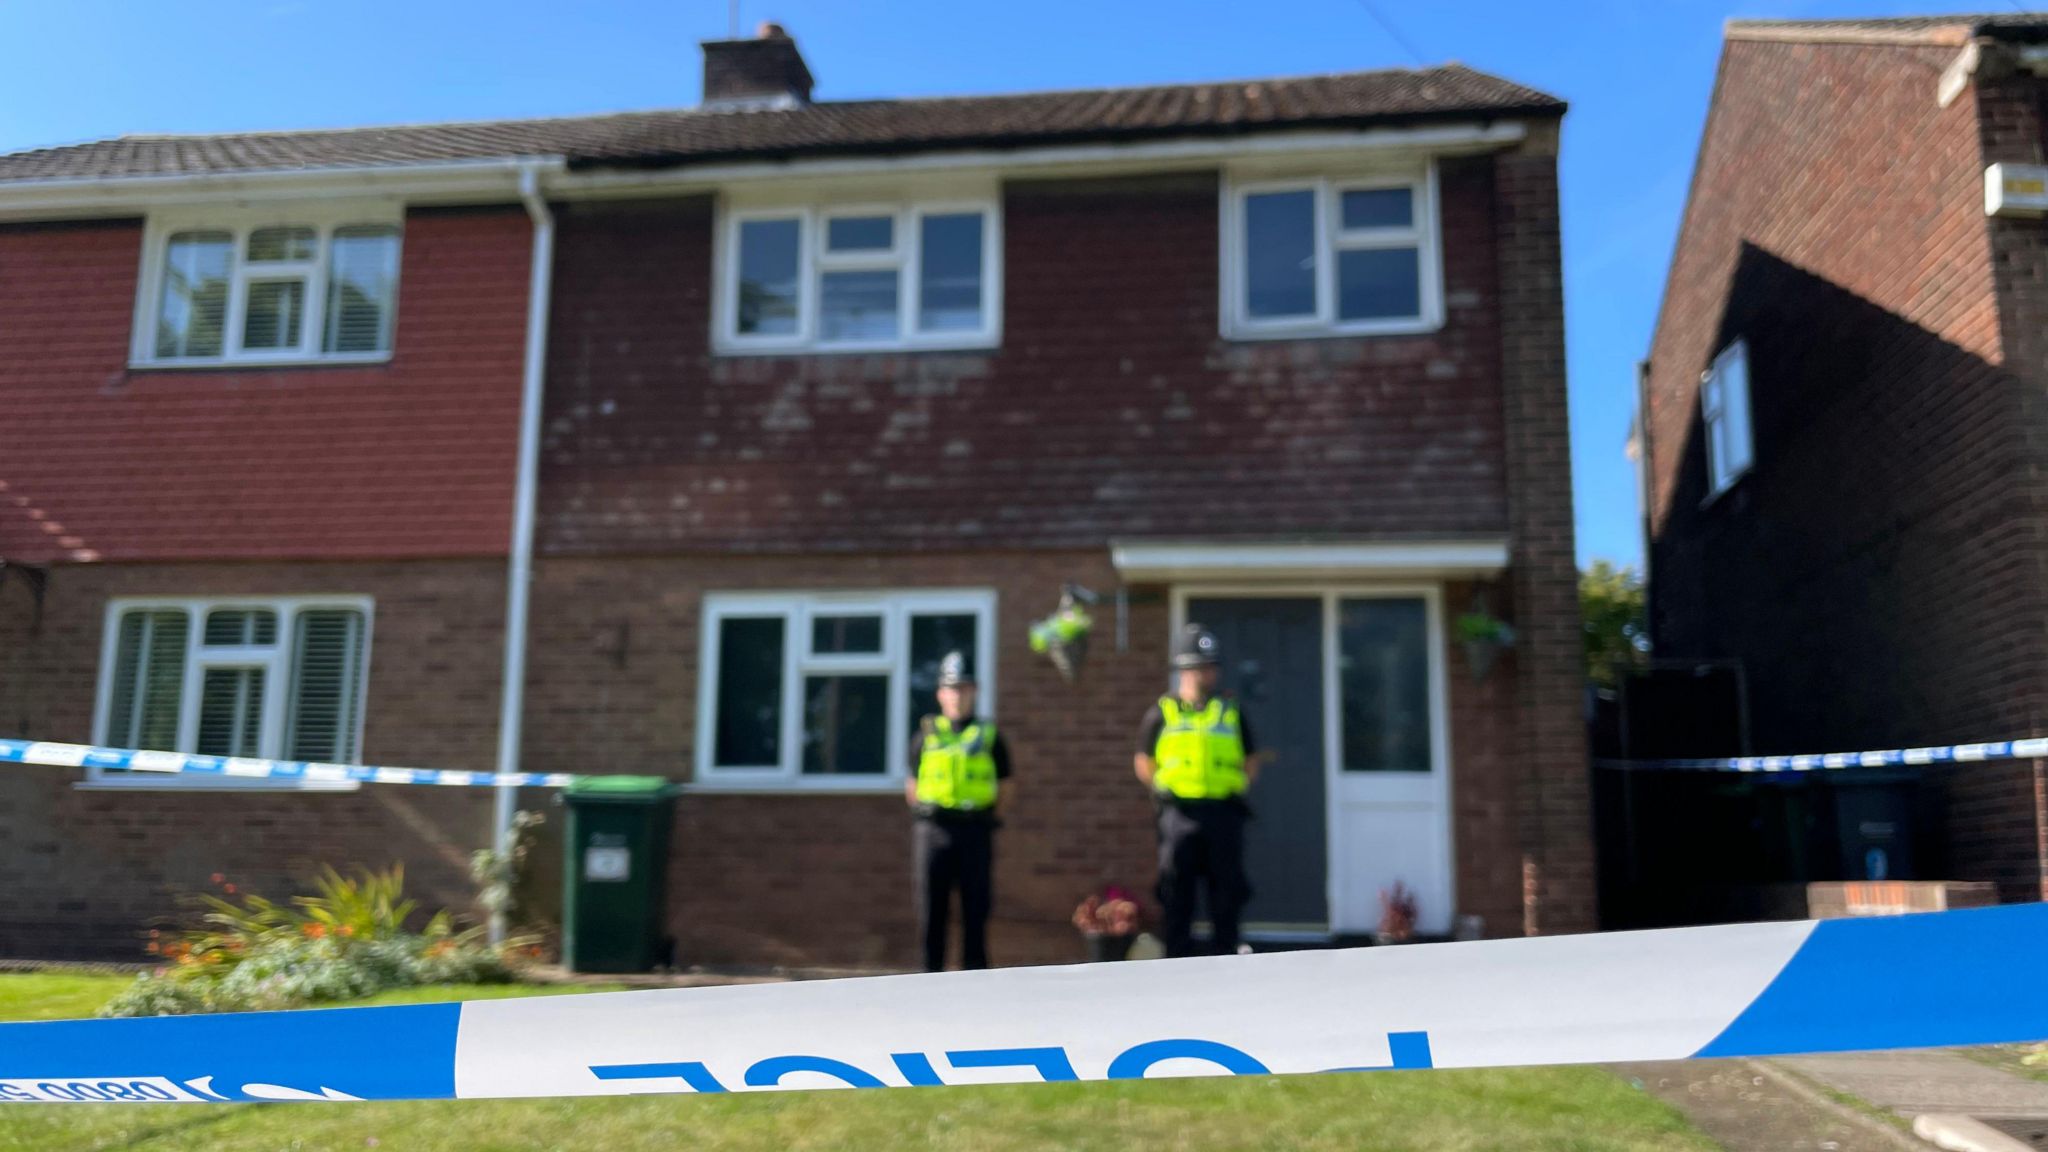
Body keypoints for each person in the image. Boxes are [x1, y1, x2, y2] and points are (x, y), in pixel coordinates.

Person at [1133, 624, 1269, 958]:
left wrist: (1234, 785)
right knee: (1176, 894)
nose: (1209, 674)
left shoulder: (1230, 710)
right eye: (1201, 667)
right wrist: (1163, 791)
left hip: (1223, 813)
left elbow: (1251, 759)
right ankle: (1177, 961)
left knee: (1227, 892)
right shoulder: (1162, 712)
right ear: (1183, 669)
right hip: (1178, 815)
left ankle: (1227, 957)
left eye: (1212, 667)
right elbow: (1143, 760)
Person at [906, 651, 1013, 972]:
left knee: (976, 911)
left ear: (975, 691)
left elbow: (1006, 786)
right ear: (941, 693)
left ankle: (975, 982)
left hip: (974, 831)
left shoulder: (990, 736)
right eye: (952, 688)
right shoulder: (925, 735)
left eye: (964, 688)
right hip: (933, 831)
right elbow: (912, 785)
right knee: (931, 912)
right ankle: (929, 979)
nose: (958, 695)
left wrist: (984, 816)